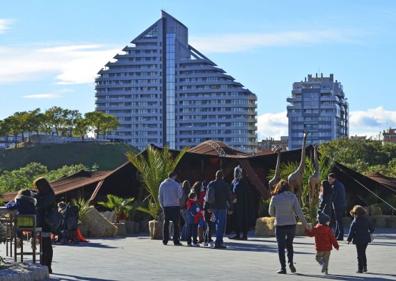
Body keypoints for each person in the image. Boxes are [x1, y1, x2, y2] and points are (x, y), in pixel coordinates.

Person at [269, 180, 309, 274]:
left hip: (280, 225)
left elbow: (271, 212)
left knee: (281, 247)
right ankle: (290, 262)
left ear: (278, 187)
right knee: (289, 244)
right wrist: (305, 224)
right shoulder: (293, 197)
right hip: (291, 224)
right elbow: (299, 212)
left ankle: (283, 268)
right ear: (288, 188)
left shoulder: (275, 197)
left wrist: (277, 214)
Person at [34, 177, 56, 274]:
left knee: (46, 245)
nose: (37, 188)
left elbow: (42, 205)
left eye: (37, 186)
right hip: (43, 222)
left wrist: (36, 197)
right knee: (44, 245)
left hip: (46, 223)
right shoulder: (44, 194)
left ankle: (48, 266)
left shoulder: (49, 195)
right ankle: (44, 265)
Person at [206, 170, 233, 249]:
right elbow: (229, 197)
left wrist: (208, 207)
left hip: (213, 208)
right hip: (222, 207)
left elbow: (207, 196)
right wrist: (231, 207)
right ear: (222, 176)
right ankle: (218, 241)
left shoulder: (211, 184)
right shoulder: (225, 185)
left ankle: (208, 238)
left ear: (215, 176)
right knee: (221, 225)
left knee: (212, 223)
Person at [347, 205, 375, 273]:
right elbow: (372, 228)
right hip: (366, 239)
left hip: (358, 239)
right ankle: (365, 267)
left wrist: (349, 239)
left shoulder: (355, 221)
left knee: (359, 254)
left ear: (355, 213)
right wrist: (369, 232)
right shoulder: (367, 219)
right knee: (363, 253)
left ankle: (360, 268)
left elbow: (351, 231)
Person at [158, 171, 183, 246]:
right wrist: (180, 187)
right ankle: (176, 240)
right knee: (176, 224)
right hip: (175, 206)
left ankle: (165, 240)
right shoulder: (176, 184)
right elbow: (180, 196)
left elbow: (160, 196)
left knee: (166, 223)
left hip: (166, 206)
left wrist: (162, 206)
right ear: (174, 176)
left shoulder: (162, 184)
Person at [230, 165, 250, 240]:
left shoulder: (243, 182)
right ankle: (238, 234)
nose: (236, 174)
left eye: (237, 172)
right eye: (235, 172)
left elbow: (246, 193)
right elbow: (231, 191)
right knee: (236, 219)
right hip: (236, 203)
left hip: (243, 203)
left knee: (244, 218)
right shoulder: (234, 181)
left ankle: (244, 235)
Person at [328, 173, 346, 240]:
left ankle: (340, 235)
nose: (329, 180)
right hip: (342, 204)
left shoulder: (335, 186)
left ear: (334, 179)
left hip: (337, 205)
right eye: (328, 179)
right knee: (338, 220)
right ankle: (337, 234)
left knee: (339, 220)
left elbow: (334, 196)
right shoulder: (340, 184)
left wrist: (329, 201)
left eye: (330, 179)